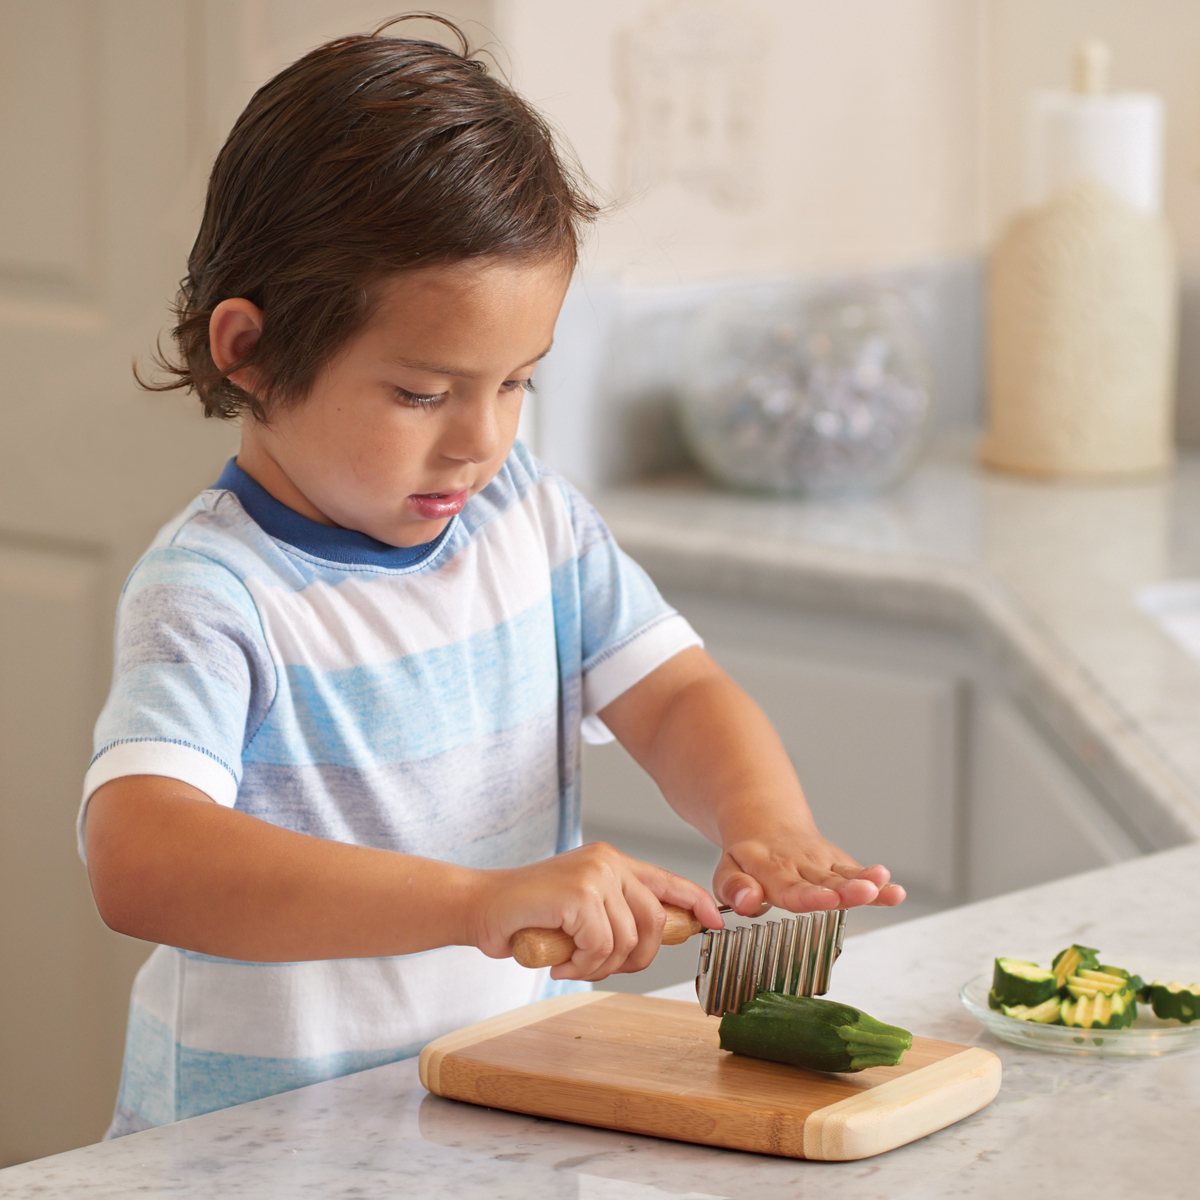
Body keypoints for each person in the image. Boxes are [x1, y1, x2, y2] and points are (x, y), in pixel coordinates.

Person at [79, 16, 905, 1138]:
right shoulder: (216, 590)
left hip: (501, 1108)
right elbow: (142, 858)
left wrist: (768, 825)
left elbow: (674, 692)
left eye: (517, 381)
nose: (482, 439)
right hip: (269, 1149)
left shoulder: (531, 520)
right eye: (424, 393)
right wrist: (481, 903)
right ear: (250, 351)